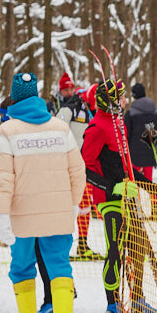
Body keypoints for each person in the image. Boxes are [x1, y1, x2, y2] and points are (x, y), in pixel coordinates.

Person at [0, 73, 86, 313]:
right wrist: (71, 204)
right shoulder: (60, 128)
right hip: (57, 214)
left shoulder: (6, 132)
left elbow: (2, 180)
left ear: (15, 96)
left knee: (22, 267)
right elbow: (78, 172)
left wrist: (1, 215)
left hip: (21, 218)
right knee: (59, 265)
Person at [82, 79, 157, 313]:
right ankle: (112, 306)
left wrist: (153, 188)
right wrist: (111, 186)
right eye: (120, 97)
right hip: (109, 199)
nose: (125, 101)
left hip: (128, 196)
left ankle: (137, 299)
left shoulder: (119, 123)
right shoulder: (96, 127)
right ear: (109, 101)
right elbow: (83, 167)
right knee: (115, 251)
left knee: (139, 247)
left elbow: (126, 167)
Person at [49, 72, 97, 260]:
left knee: (85, 205)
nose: (68, 91)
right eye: (65, 88)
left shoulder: (84, 108)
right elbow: (55, 134)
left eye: (71, 88)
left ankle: (83, 244)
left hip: (85, 165)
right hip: (64, 165)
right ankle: (55, 246)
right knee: (62, 205)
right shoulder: (64, 108)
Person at [124, 82, 157, 222]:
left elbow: (126, 134)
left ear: (134, 96)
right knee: (149, 181)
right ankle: (155, 209)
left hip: (135, 153)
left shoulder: (130, 113)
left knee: (136, 180)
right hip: (152, 153)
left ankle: (137, 210)